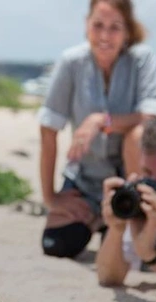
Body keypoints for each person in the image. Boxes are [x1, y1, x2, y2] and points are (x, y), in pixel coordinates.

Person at [38, 0, 156, 258]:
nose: (105, 35)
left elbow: (150, 117)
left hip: (129, 179)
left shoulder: (142, 58)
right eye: (98, 25)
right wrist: (51, 197)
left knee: (138, 133)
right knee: (57, 245)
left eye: (114, 27)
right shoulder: (71, 62)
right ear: (86, 25)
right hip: (85, 181)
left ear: (127, 30)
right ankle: (100, 221)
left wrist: (101, 120)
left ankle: (131, 219)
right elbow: (48, 128)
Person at [97, 118, 156, 286]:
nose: (152, 184)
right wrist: (116, 229)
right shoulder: (144, 204)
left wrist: (150, 257)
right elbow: (108, 276)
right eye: (147, 172)